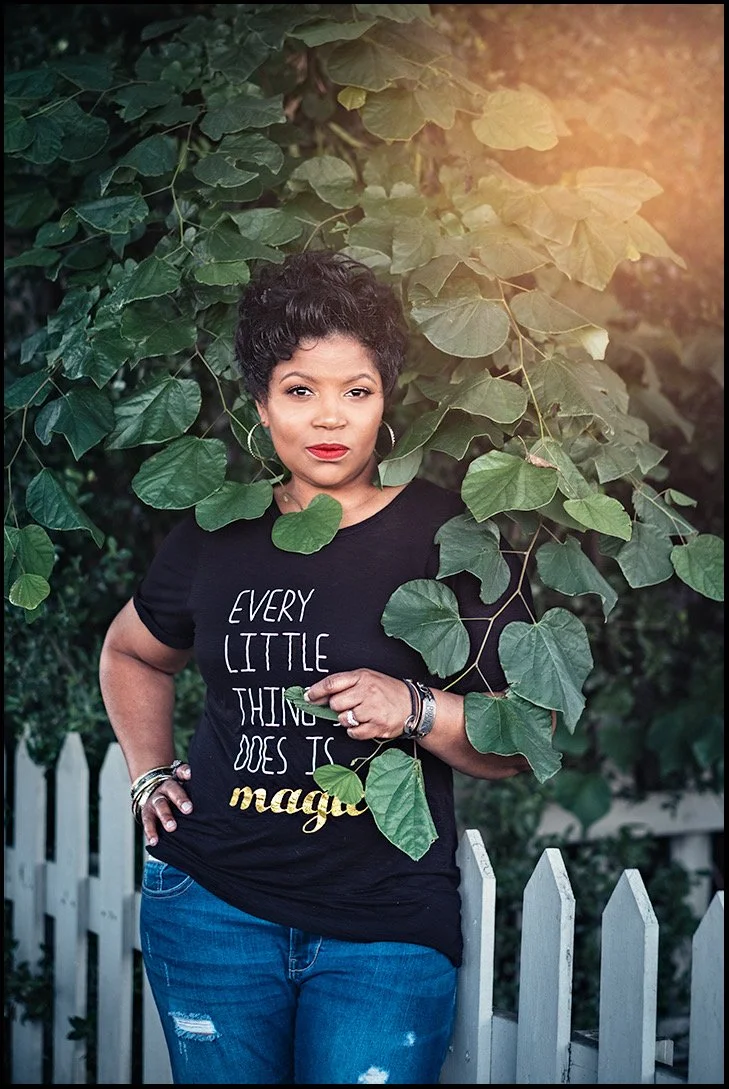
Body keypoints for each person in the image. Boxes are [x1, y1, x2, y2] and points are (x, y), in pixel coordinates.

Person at [98, 249, 543, 1085]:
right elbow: (131, 652)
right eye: (300, 390)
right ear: (262, 404)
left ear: (385, 400)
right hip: (211, 907)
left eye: (356, 390)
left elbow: (527, 736)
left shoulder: (452, 537)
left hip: (382, 928)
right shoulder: (214, 533)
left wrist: (414, 707)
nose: (329, 418)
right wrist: (146, 773)